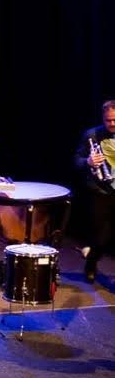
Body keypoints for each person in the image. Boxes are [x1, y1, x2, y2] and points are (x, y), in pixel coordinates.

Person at [76, 100, 115, 280]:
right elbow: (76, 159)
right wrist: (88, 162)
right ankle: (90, 264)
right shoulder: (91, 135)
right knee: (100, 238)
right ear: (103, 118)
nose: (112, 124)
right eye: (108, 120)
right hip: (100, 192)